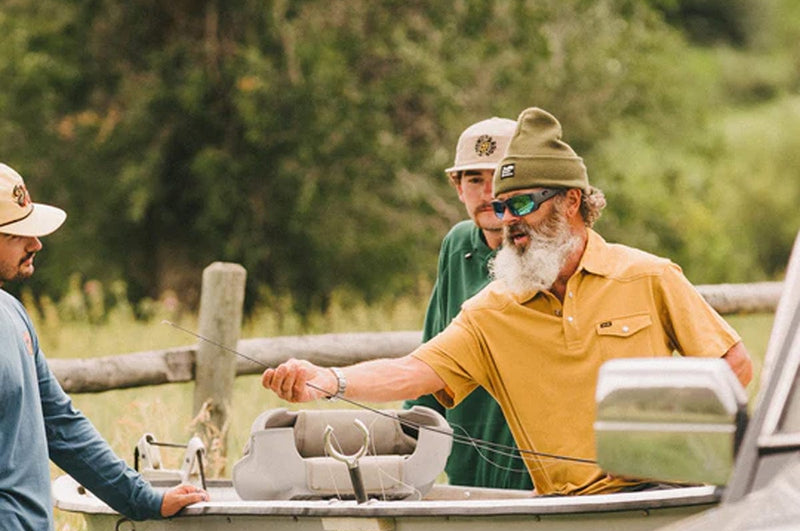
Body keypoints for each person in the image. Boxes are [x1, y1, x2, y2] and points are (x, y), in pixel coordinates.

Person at [261, 107, 753, 496]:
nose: (508, 220)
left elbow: (733, 365)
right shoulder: (493, 308)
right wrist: (328, 381)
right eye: (501, 205)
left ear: (570, 203)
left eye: (522, 204)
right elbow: (414, 371)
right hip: (567, 513)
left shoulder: (648, 275)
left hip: (664, 500)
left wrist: (671, 444)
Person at [0, 163, 209, 531]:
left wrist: (144, 497)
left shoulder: (13, 317)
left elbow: (62, 425)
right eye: (18, 232)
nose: (36, 242)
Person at [404, 117, 533, 490]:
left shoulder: (548, 253)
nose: (488, 192)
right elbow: (432, 354)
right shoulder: (458, 244)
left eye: (500, 177)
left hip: (537, 474)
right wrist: (405, 439)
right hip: (465, 471)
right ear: (458, 188)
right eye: (474, 179)